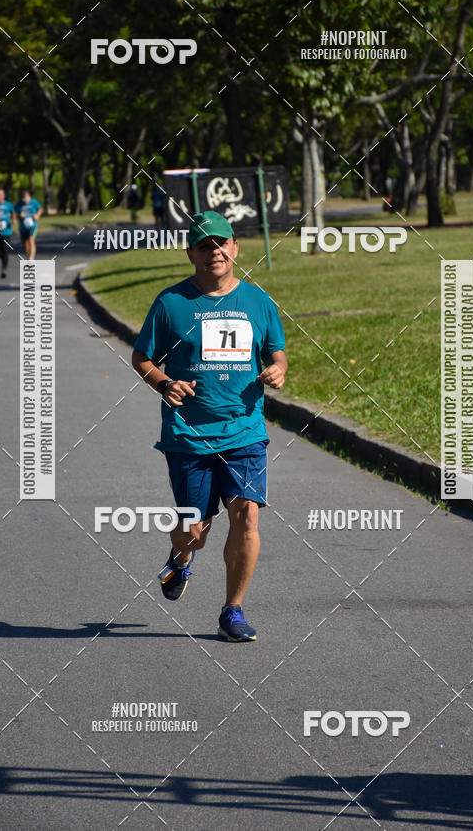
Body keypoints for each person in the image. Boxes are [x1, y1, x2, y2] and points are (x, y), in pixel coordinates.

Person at [131, 210, 287, 642]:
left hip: (244, 430)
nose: (214, 251)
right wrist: (164, 383)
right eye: (204, 245)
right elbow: (141, 357)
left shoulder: (258, 301)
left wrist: (277, 370)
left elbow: (276, 353)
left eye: (221, 243)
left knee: (247, 517)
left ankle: (232, 611)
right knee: (195, 532)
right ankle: (180, 561)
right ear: (191, 254)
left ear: (235, 248)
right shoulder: (171, 303)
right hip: (188, 435)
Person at [14, 189, 43, 260]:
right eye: (24, 198)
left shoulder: (34, 202)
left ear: (29, 197)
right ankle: (28, 258)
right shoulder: (19, 204)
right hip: (23, 227)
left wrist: (37, 215)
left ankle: (31, 258)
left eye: (27, 197)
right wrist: (18, 216)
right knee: (25, 245)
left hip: (32, 225)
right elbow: (14, 212)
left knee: (31, 240)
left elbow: (40, 209)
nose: (25, 199)